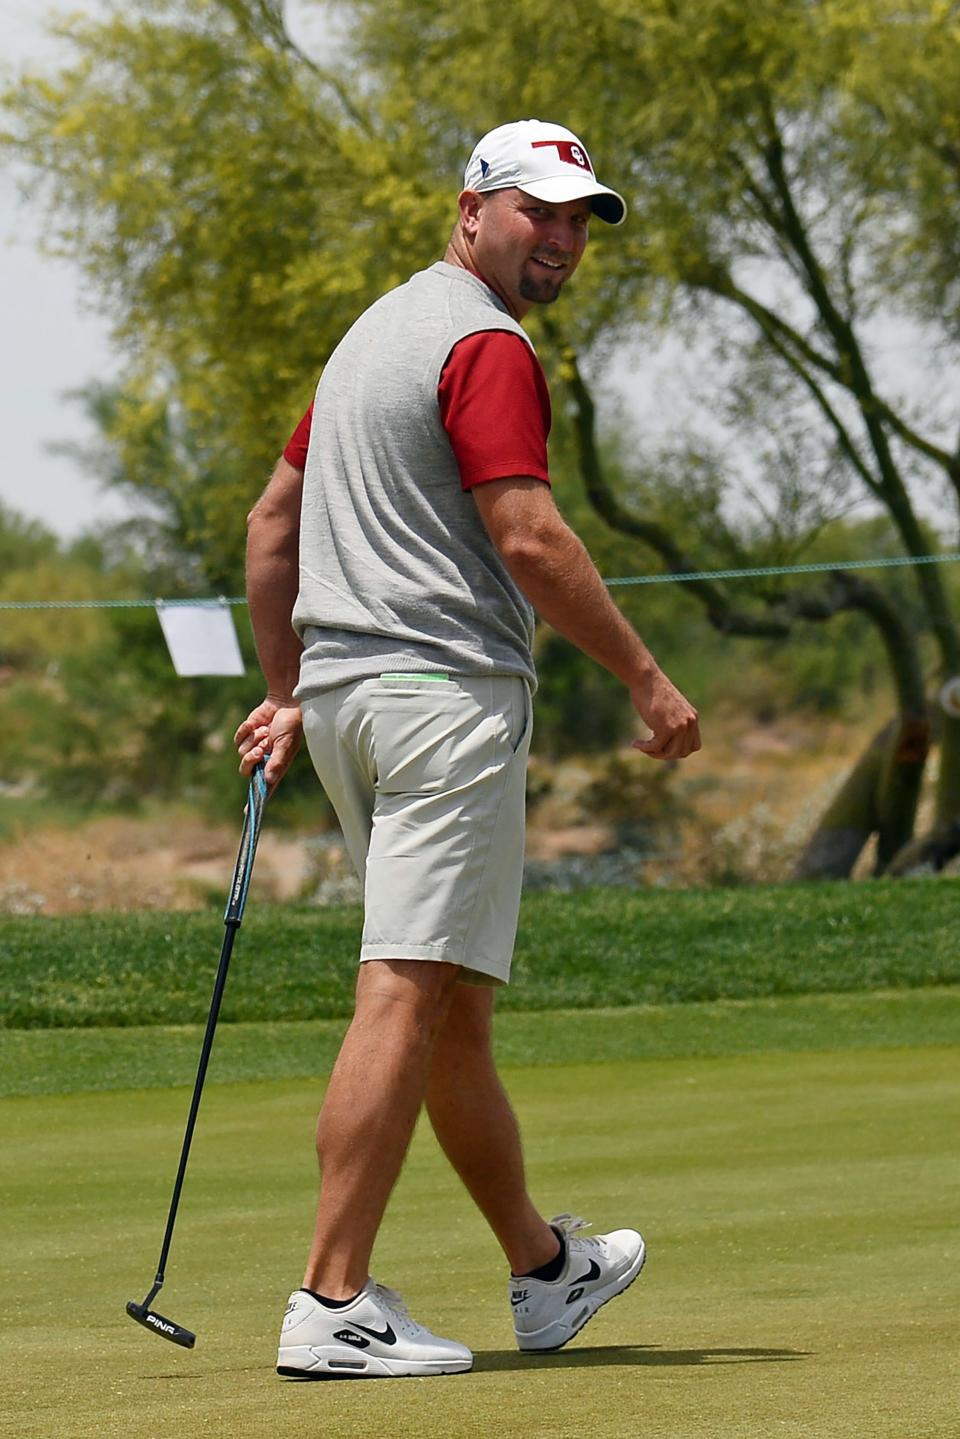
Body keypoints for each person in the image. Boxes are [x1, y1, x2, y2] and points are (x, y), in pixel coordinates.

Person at [235, 118, 700, 1381]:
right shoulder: (484, 341)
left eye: (577, 219)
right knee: (404, 982)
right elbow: (531, 538)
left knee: (451, 1008)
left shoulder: (368, 337)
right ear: (472, 210)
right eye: (537, 211)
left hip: (352, 706)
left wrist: (291, 688)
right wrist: (648, 680)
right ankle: (333, 1300)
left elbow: (274, 525)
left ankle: (547, 1271)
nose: (558, 238)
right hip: (444, 702)